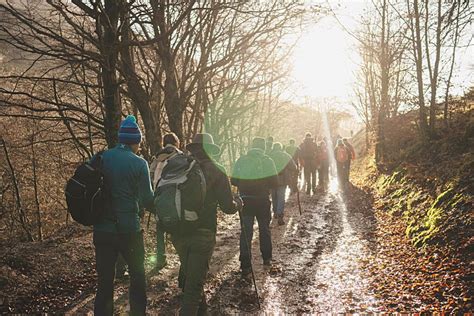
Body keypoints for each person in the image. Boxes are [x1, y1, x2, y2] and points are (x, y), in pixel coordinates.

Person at [171, 133, 242, 315]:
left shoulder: (181, 167)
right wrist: (238, 204)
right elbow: (227, 207)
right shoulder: (216, 170)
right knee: (193, 288)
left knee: (192, 276)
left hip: (178, 232)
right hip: (203, 234)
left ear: (194, 149)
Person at [92, 115, 154, 315]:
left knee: (104, 281)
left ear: (120, 139)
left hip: (102, 230)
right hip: (130, 230)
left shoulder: (100, 158)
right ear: (136, 141)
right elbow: (147, 199)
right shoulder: (139, 163)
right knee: (137, 276)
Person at [231, 137, 278, 277]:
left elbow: (233, 180)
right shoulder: (268, 161)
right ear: (263, 147)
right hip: (263, 201)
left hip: (245, 201)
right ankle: (267, 258)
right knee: (264, 229)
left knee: (246, 232)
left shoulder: (242, 160)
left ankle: (245, 264)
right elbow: (275, 182)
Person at [149, 132, 182, 271]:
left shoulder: (157, 158)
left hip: (158, 195)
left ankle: (160, 258)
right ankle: (182, 257)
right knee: (178, 229)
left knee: (160, 228)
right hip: (175, 195)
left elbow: (150, 176)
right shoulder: (180, 156)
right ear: (176, 143)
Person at [268, 142, 297, 225]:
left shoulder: (269, 155)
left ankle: (275, 212)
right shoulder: (285, 155)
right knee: (281, 197)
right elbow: (294, 167)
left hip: (271, 180)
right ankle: (280, 213)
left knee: (274, 197)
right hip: (282, 180)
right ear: (281, 148)